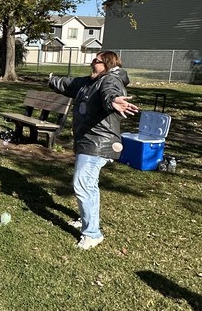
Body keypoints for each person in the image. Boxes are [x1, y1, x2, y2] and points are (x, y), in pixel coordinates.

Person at [48, 51, 138, 250]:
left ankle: (92, 234)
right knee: (89, 185)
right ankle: (85, 219)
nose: (92, 63)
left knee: (82, 184)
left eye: (96, 61)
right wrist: (52, 80)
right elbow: (69, 84)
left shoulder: (110, 80)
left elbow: (110, 94)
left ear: (106, 64)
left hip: (99, 143)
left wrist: (114, 101)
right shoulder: (90, 81)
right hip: (87, 141)